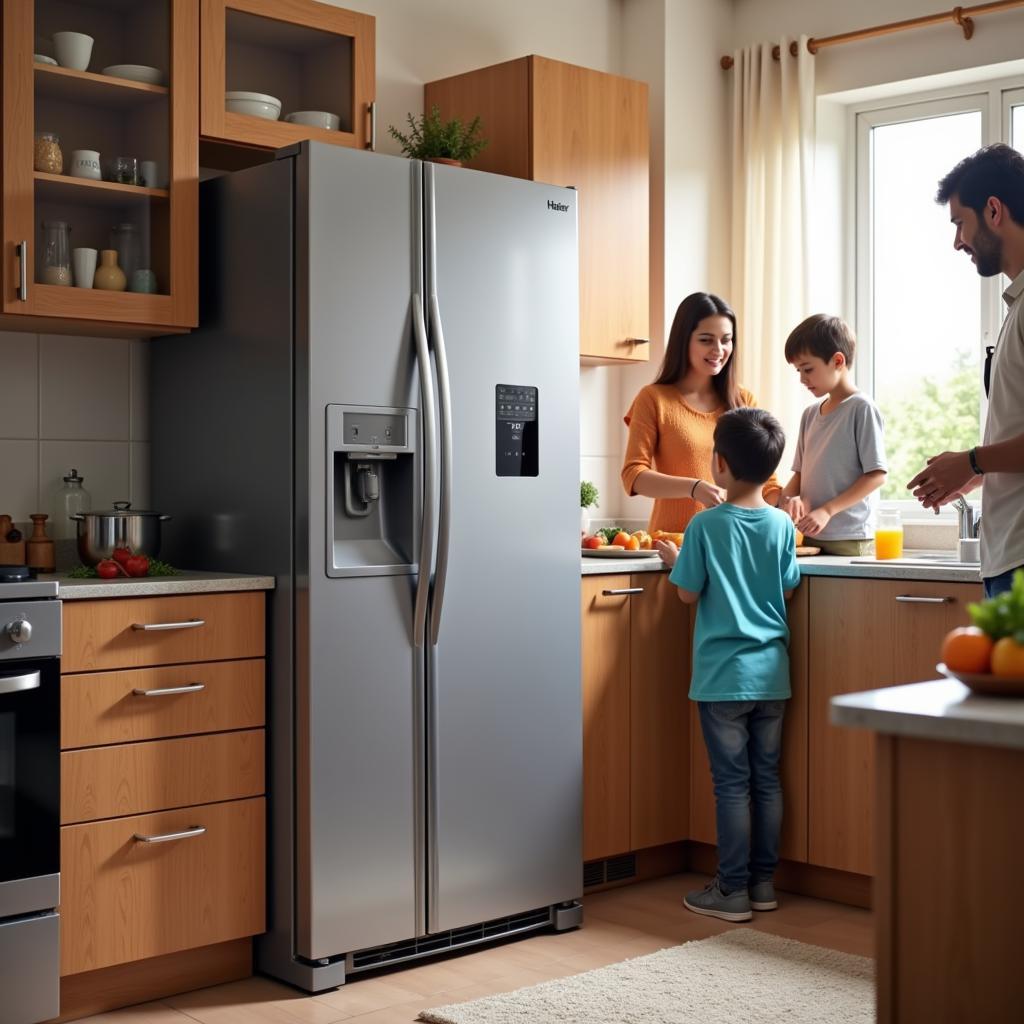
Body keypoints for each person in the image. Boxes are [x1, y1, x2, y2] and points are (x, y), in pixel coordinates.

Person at [657, 407, 800, 922]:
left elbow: (688, 595)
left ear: (718, 463)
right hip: (773, 676)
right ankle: (762, 885)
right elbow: (786, 587)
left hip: (723, 680)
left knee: (732, 785)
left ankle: (731, 891)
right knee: (767, 780)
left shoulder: (705, 525)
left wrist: (676, 564)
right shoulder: (782, 524)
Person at [907, 143, 1024, 598]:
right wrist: (974, 474)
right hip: (1008, 556)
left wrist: (974, 461)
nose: (957, 242)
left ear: (993, 210)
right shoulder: (1015, 305)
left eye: (960, 223)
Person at [621, 292, 781, 535]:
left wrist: (786, 500)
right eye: (706, 340)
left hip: (732, 542)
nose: (718, 350)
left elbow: (766, 481)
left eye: (726, 340)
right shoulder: (653, 399)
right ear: (684, 340)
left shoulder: (743, 400)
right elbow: (633, 475)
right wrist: (694, 488)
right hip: (674, 544)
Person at [778, 314, 887, 556]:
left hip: (851, 537)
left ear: (838, 361)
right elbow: (800, 475)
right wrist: (784, 502)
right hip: (810, 533)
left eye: (807, 369)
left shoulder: (861, 408)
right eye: (798, 370)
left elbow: (877, 476)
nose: (802, 379)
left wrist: (827, 510)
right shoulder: (809, 415)